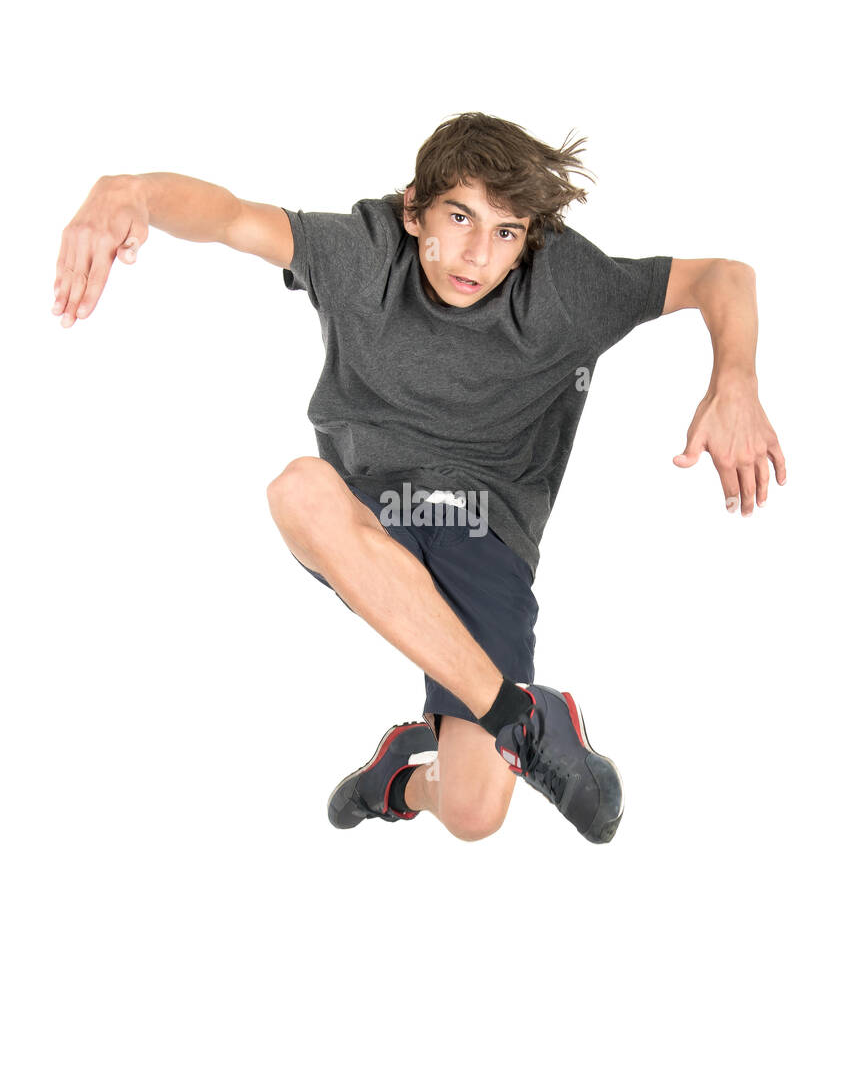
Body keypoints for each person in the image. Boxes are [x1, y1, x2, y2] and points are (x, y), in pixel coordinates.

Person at [52, 112, 786, 846]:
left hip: (485, 533)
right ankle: (522, 721)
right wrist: (130, 192)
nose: (476, 253)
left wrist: (735, 381)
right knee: (299, 489)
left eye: (505, 232)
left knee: (472, 814)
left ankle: (403, 776)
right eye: (458, 217)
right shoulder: (365, 252)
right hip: (372, 510)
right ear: (413, 210)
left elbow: (723, 276)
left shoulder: (561, 281)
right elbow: (232, 218)